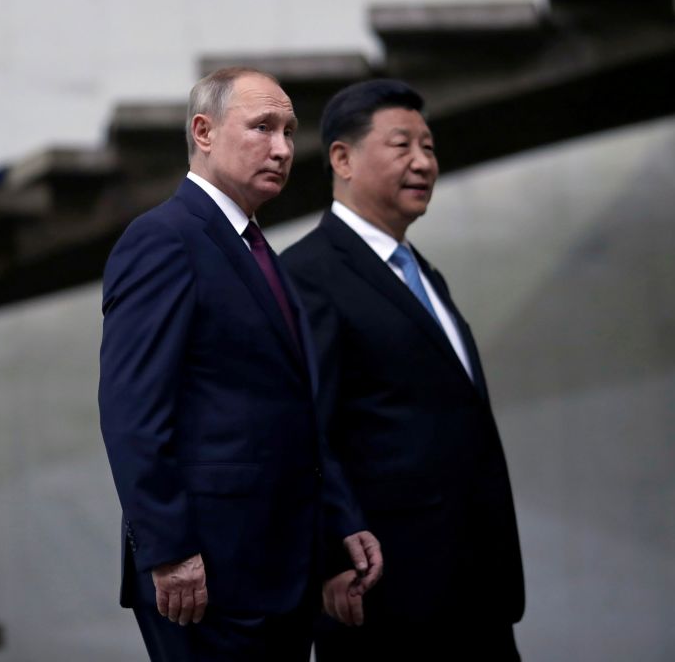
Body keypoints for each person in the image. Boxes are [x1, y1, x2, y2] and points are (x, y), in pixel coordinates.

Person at [99, 67, 381, 661]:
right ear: (203, 131)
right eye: (262, 128)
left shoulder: (254, 248)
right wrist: (169, 549)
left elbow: (290, 408)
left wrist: (335, 527)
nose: (282, 148)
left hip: (277, 567)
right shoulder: (164, 239)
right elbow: (133, 411)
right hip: (205, 575)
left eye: (288, 131)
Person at [281, 79, 525, 661]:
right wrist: (332, 557)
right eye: (402, 146)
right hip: (385, 595)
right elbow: (304, 431)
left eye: (430, 147)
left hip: (475, 590)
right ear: (342, 158)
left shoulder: (423, 275)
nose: (423, 163)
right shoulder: (308, 275)